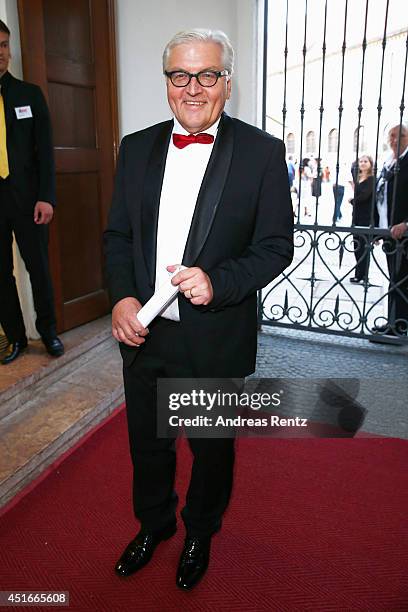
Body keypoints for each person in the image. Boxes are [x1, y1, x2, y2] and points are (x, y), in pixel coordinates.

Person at [104, 29, 294, 590]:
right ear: (167, 84)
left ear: (227, 84)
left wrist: (220, 281)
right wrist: (119, 297)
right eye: (180, 76)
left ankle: (198, 534)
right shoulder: (135, 148)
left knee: (211, 451)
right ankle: (155, 524)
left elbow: (275, 246)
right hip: (144, 331)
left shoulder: (261, 152)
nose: (193, 88)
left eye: (207, 75)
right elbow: (117, 236)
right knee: (148, 444)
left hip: (214, 334)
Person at [0, 20, 63, 364]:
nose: (0, 52)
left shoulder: (29, 95)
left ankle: (49, 331)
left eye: (4, 45)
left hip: (28, 200)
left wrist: (47, 197)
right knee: (0, 274)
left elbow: (45, 152)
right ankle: (16, 339)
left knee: (38, 268)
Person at [373, 122, 408, 336]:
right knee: (395, 280)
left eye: (401, 135)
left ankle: (399, 326)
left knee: (402, 281)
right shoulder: (389, 163)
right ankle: (395, 322)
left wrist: (406, 224)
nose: (395, 139)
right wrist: (378, 227)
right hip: (389, 233)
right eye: (391, 136)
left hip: (403, 233)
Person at [349, 155, 375, 283]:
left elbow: (365, 196)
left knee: (364, 247)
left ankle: (363, 275)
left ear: (371, 164)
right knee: (357, 246)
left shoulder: (371, 179)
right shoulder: (358, 178)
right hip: (357, 216)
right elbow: (352, 167)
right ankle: (358, 274)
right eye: (361, 161)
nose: (363, 163)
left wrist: (352, 200)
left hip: (366, 217)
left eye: (366, 161)